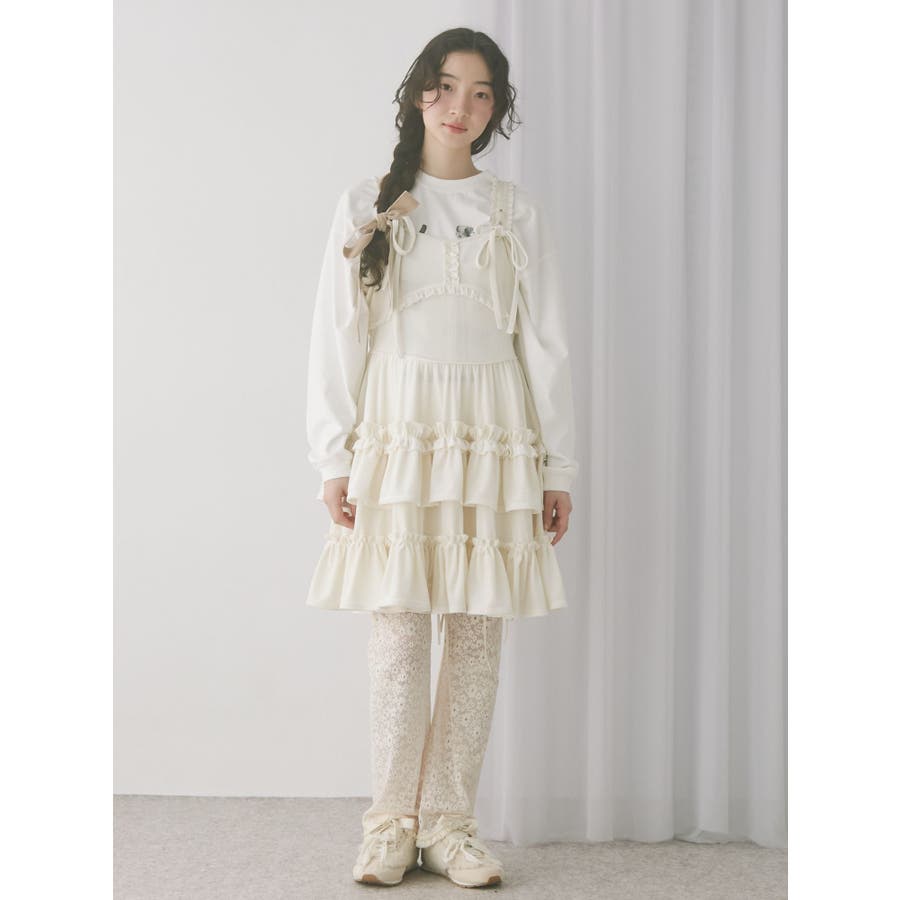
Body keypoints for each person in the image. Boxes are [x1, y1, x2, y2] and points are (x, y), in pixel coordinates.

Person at [305, 27, 578, 888]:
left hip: (492, 435)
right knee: (396, 632)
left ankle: (450, 824)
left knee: (475, 633)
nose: (461, 107)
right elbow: (337, 336)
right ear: (417, 92)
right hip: (399, 434)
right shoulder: (368, 203)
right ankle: (389, 823)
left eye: (481, 92)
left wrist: (557, 466)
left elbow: (546, 346)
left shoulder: (516, 212)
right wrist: (333, 455)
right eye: (446, 86)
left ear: (497, 108)